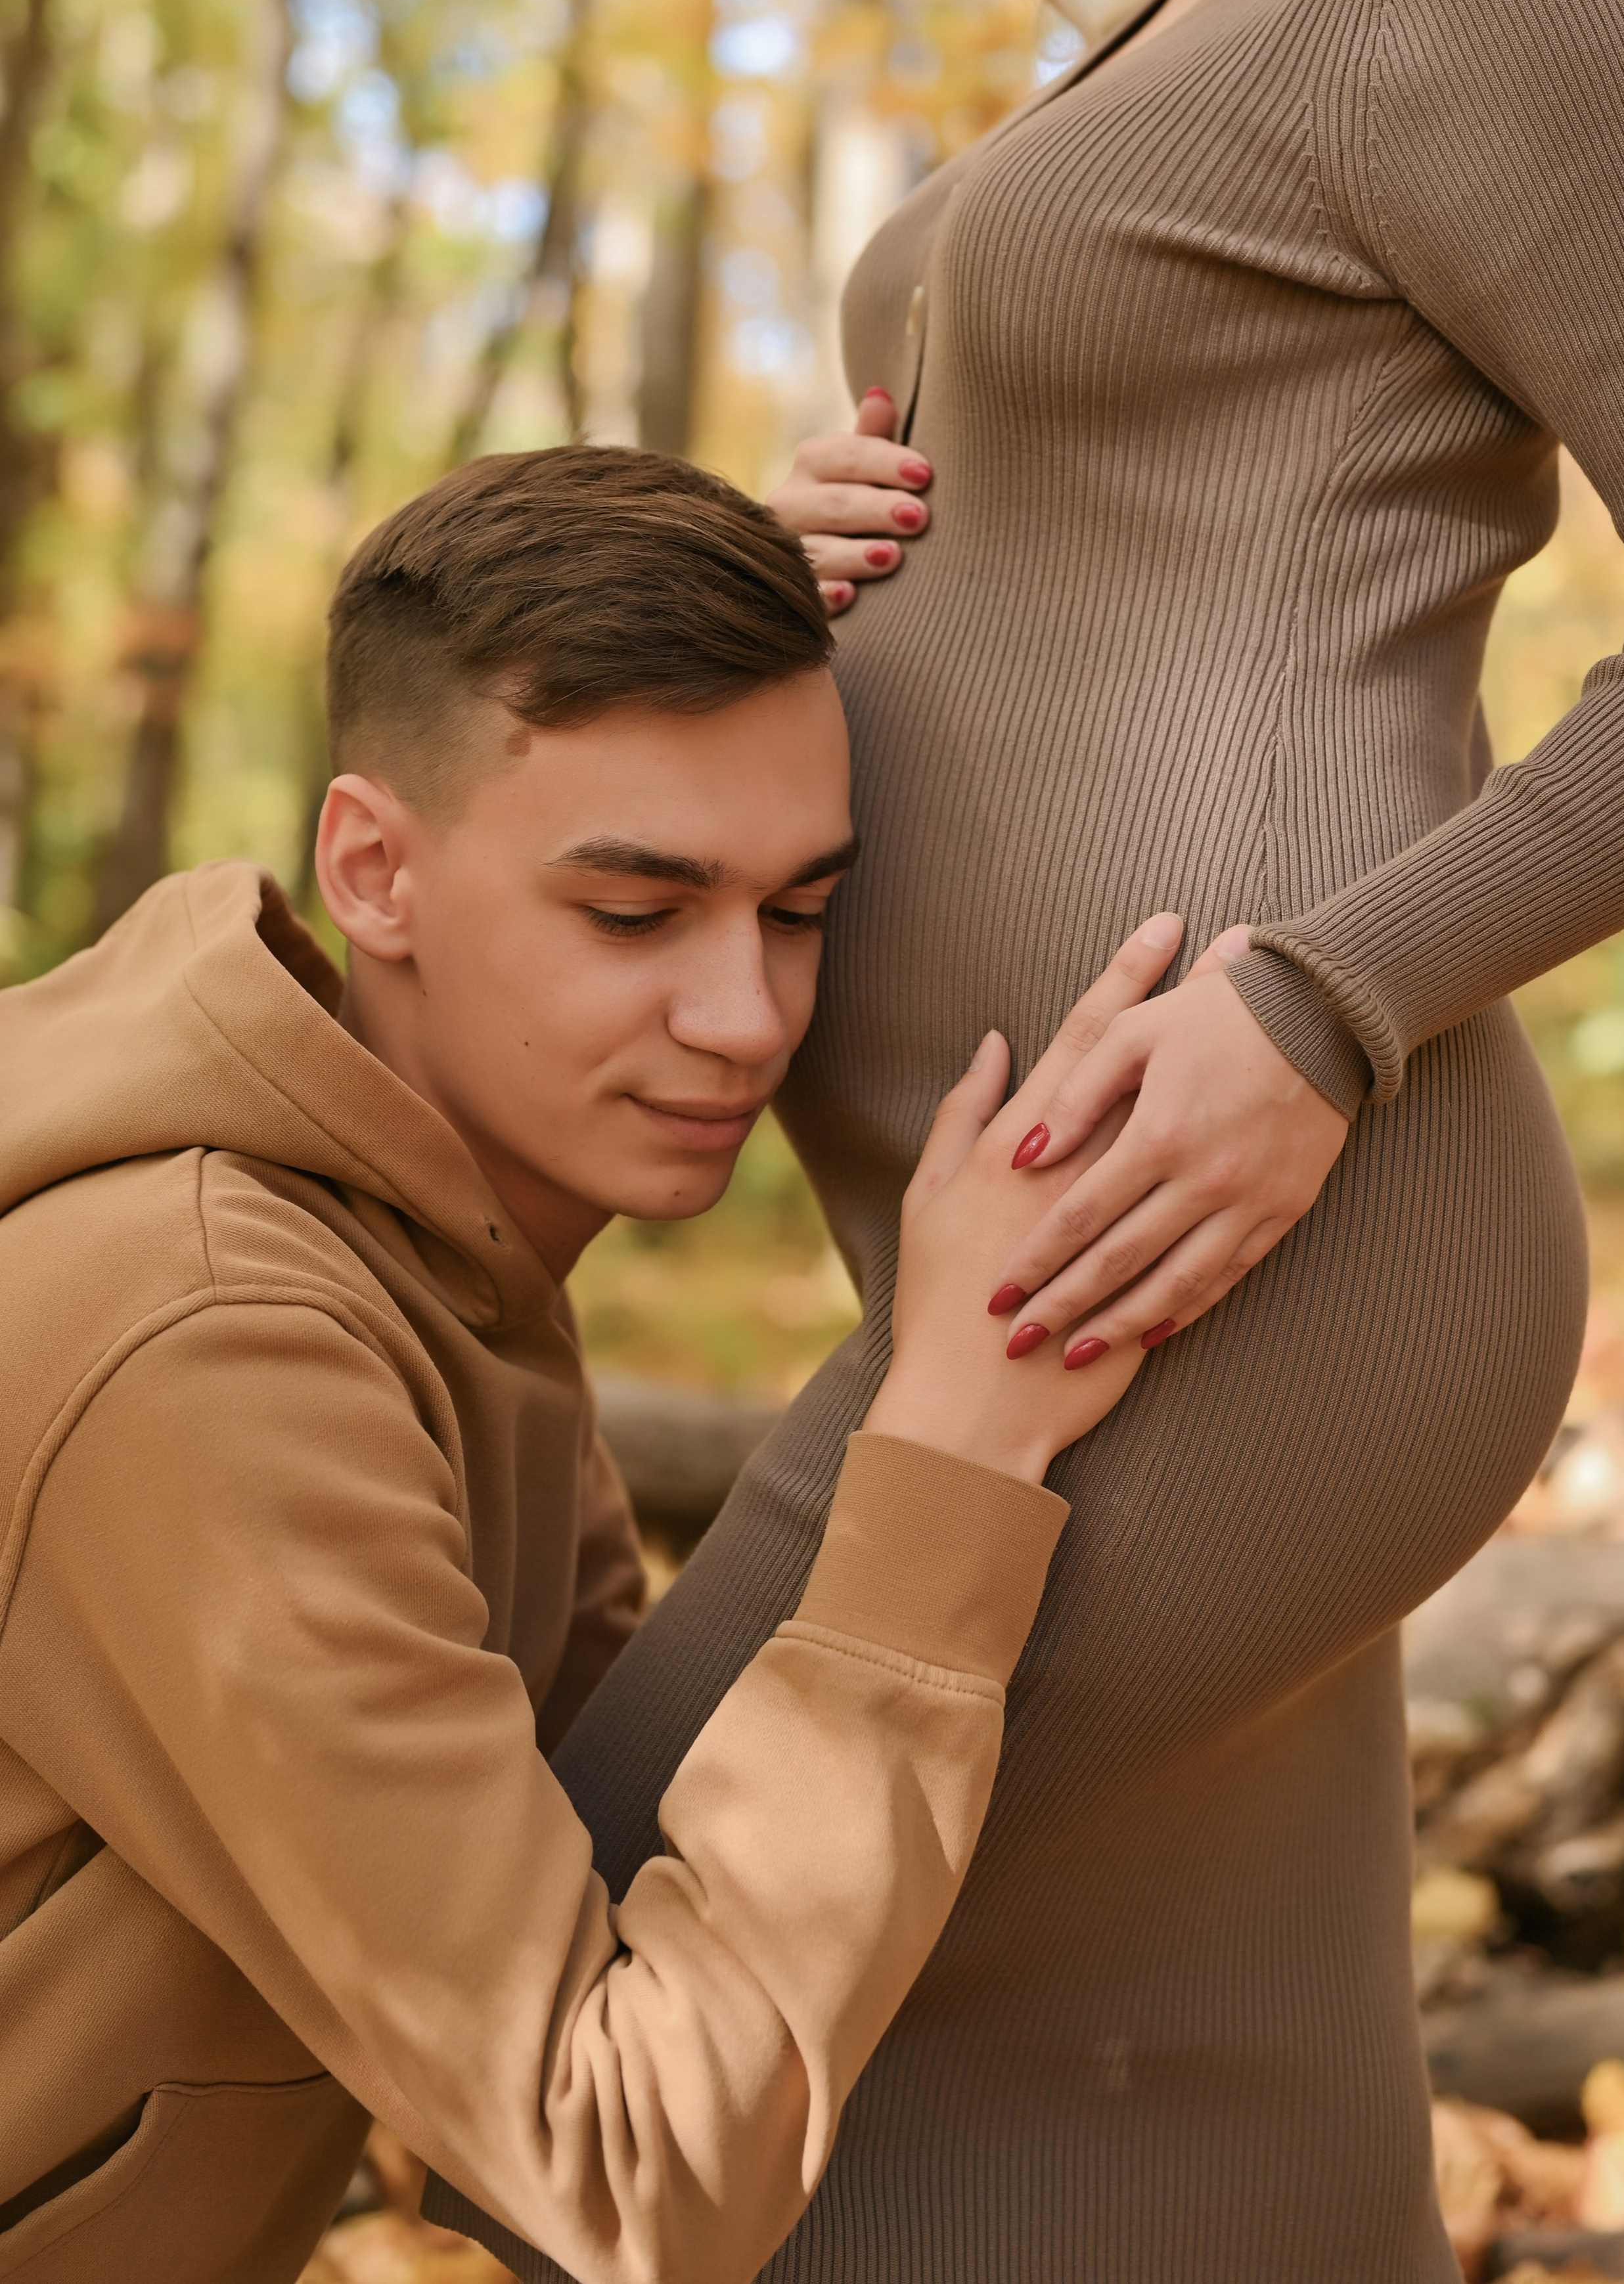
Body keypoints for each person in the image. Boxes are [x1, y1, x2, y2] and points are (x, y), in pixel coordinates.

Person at [495, 0, 1624, 2281]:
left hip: (1223, 1238)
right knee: (1185, 2088)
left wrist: (1327, 1007)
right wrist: (782, 563)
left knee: (613, 1964)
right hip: (1051, 1248)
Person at [0, 443, 1184, 2284]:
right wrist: (957, 1434)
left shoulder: (435, 1246)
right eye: (634, 913)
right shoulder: (214, 1347)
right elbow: (630, 2175)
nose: (746, 1018)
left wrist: (684, 585)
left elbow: (611, 1789)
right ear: (374, 870)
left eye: (797, 909)